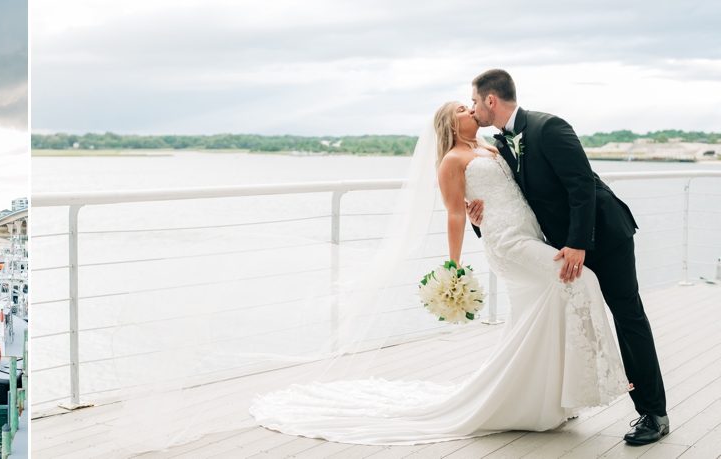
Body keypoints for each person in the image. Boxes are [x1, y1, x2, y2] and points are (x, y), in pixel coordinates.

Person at [249, 98, 630, 445]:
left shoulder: (492, 147)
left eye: (472, 105)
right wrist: (455, 263)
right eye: (463, 111)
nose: (472, 110)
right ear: (450, 125)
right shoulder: (451, 161)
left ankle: (541, 399)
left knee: (540, 311)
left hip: (529, 233)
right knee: (581, 278)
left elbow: (516, 191)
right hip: (507, 243)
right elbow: (454, 212)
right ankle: (590, 381)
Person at [467, 69, 668, 445]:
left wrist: (580, 242)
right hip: (562, 248)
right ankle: (565, 400)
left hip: (604, 237)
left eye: (475, 101)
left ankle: (654, 413)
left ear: (491, 100)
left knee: (627, 316)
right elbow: (510, 200)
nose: (473, 108)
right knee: (564, 313)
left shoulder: (549, 126)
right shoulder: (503, 144)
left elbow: (581, 185)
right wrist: (480, 221)